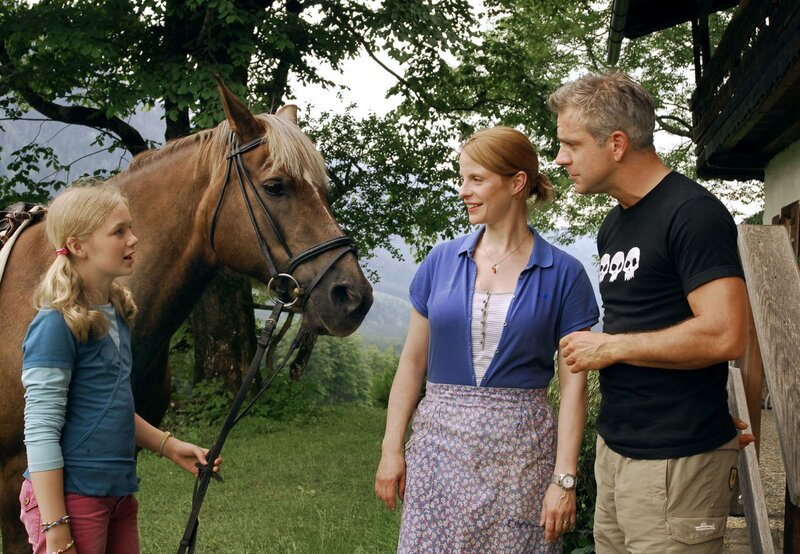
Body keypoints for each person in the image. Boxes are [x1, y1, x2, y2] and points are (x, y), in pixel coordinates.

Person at [375, 126, 599, 553]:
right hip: (437, 453)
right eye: (462, 179)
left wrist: (564, 479)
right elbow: (412, 362)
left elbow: (574, 387)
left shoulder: (565, 273)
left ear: (516, 183)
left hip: (521, 461)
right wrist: (391, 449)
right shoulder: (440, 261)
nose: (464, 191)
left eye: (476, 179)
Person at [550, 72, 749, 553]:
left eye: (571, 144)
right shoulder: (613, 225)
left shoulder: (693, 213)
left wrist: (611, 347)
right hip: (617, 450)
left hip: (677, 458)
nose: (560, 158)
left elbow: (726, 334)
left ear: (617, 143)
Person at [18, 181, 222, 554]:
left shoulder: (115, 315)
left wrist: (169, 446)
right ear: (78, 246)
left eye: (131, 228)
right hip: (70, 500)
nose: (133, 239)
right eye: (119, 232)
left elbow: (110, 408)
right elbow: (40, 431)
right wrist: (56, 526)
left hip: (117, 496)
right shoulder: (55, 326)